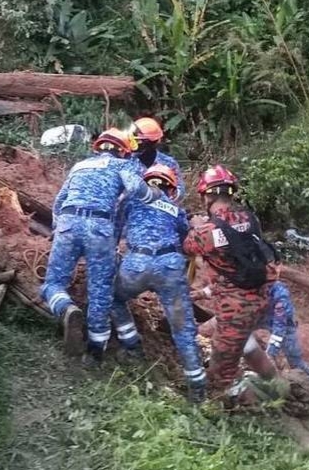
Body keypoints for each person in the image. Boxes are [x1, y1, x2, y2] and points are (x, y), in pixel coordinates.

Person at [41, 128, 161, 362]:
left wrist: (59, 229)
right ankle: (95, 350)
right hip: (99, 227)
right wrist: (156, 195)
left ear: (98, 147)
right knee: (101, 290)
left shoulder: (79, 165)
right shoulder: (123, 166)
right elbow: (136, 189)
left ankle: (66, 308)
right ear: (123, 150)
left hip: (67, 222)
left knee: (52, 284)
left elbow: (58, 202)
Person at [110, 164, 207, 402]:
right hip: (171, 267)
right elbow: (187, 243)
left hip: (137, 264)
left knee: (113, 298)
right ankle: (197, 387)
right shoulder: (175, 210)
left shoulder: (131, 201)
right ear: (171, 188)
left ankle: (132, 346)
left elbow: (115, 231)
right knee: (182, 328)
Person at [183, 165, 276, 396]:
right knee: (244, 342)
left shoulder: (205, 232)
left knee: (220, 373)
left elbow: (188, 247)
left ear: (208, 196)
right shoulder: (250, 218)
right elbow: (234, 234)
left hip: (235, 308)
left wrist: (197, 226)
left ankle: (236, 411)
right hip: (260, 297)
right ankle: (277, 385)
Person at [130, 117, 185, 198]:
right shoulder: (127, 162)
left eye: (138, 140)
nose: (135, 143)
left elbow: (179, 192)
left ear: (149, 142)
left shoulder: (169, 163)